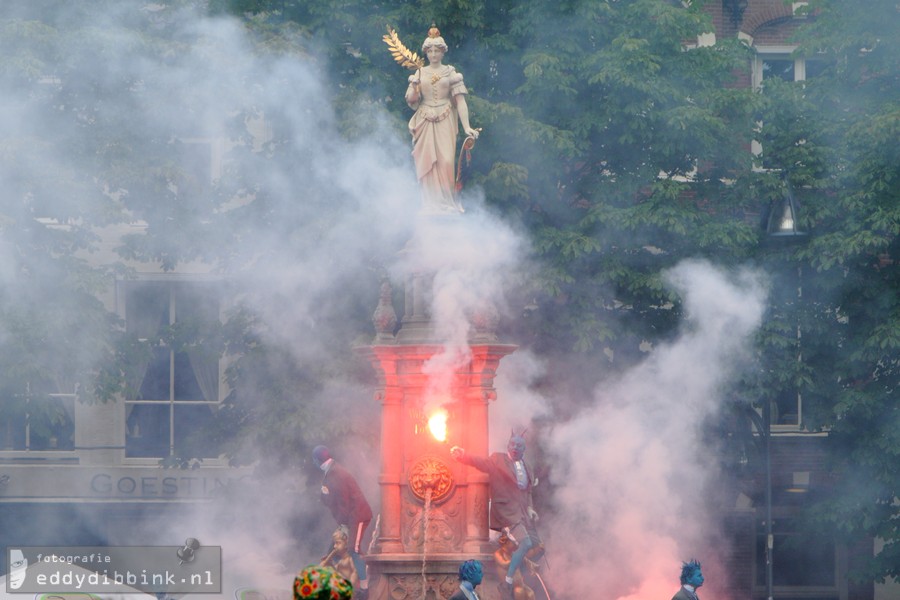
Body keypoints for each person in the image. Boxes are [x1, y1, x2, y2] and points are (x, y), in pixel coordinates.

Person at [450, 432, 544, 600]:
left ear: (524, 448)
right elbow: (481, 463)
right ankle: (506, 583)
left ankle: (508, 582)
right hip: (505, 511)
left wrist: (530, 508)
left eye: (519, 445)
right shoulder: (498, 459)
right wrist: (464, 455)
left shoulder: (527, 466)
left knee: (531, 543)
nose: (515, 448)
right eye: (512, 444)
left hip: (521, 512)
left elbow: (527, 490)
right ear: (508, 445)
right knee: (526, 542)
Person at [405, 25, 479, 215]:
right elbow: (412, 100)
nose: (433, 54)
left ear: (443, 52)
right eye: (430, 51)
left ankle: (446, 203)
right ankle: (429, 204)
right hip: (424, 121)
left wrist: (467, 127)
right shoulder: (420, 73)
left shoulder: (450, 73)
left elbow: (460, 102)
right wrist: (414, 85)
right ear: (426, 52)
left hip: (446, 118)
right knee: (427, 164)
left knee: (446, 161)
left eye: (437, 50)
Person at [313, 445, 373, 599]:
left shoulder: (335, 474)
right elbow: (334, 500)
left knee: (354, 549)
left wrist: (345, 525)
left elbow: (344, 502)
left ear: (317, 460)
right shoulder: (332, 471)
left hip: (357, 516)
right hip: (349, 518)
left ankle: (365, 589)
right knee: (333, 549)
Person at [493, 532, 536, 600]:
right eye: (514, 543)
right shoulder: (498, 553)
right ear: (507, 542)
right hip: (510, 587)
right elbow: (503, 564)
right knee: (519, 592)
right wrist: (515, 559)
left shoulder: (513, 554)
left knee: (530, 594)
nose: (517, 545)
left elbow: (526, 561)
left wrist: (531, 567)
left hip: (521, 584)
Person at [321, 525, 360, 591]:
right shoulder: (340, 562)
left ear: (346, 543)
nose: (335, 546)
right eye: (334, 543)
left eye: (338, 543)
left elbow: (354, 574)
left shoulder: (351, 559)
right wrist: (330, 564)